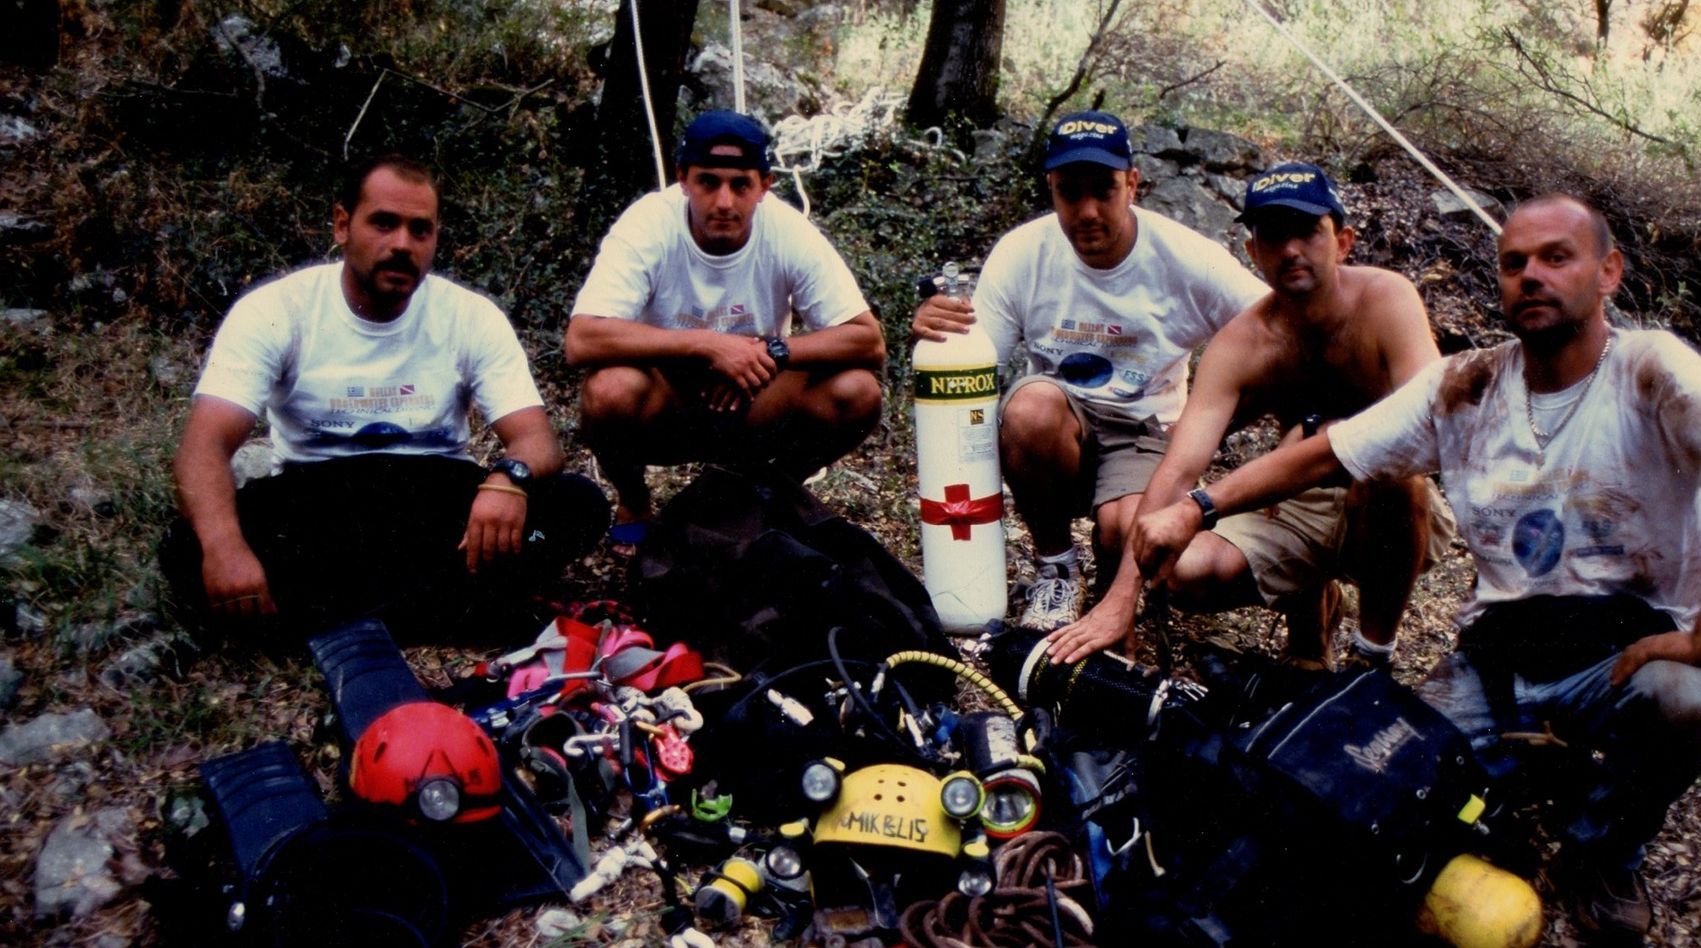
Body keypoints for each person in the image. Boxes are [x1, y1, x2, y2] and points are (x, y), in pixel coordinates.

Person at [1132, 193, 1701, 948]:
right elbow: (1326, 454)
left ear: (1608, 271)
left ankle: (1607, 854)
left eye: (1556, 257)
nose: (1532, 276)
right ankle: (1533, 767)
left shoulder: (1648, 368)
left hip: (1625, 654)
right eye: (1514, 263)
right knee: (1382, 777)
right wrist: (1199, 505)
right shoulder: (1467, 384)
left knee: (1685, 700)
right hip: (1499, 660)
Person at [163, 153, 607, 639]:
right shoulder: (276, 310)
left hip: (438, 506)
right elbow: (202, 449)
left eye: (420, 230)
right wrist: (225, 549)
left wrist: (508, 480)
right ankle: (448, 607)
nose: (401, 244)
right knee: (189, 548)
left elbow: (537, 441)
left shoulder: (470, 316)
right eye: (383, 223)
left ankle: (340, 612)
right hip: (319, 509)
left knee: (576, 507)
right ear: (342, 225)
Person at [1050, 162, 1454, 668]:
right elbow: (1178, 469)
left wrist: (1319, 433)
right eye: (1274, 236)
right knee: (1181, 568)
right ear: (1252, 252)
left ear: (1343, 241)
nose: (1291, 250)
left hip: (1389, 502)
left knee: (1390, 474)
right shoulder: (1242, 343)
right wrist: (1120, 599)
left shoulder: (1387, 299)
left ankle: (1372, 656)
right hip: (1294, 501)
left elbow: (1427, 422)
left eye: (1307, 232)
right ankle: (1311, 621)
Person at [910, 110, 1267, 632]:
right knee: (1029, 408)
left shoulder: (1186, 257)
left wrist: (1212, 425)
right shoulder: (1023, 252)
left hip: (1143, 428)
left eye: (1104, 190)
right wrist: (939, 333)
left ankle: (1111, 578)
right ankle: (1056, 566)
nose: (1088, 212)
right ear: (1051, 190)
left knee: (1127, 535)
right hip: (1058, 425)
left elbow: (1278, 332)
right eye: (1070, 193)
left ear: (1132, 185)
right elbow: (977, 368)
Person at [566, 110, 885, 516]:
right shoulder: (649, 223)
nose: (723, 202)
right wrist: (707, 345)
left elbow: (867, 340)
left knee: (858, 391)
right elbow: (582, 339)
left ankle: (771, 492)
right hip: (668, 398)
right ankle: (634, 500)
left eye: (740, 185)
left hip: (756, 395)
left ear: (764, 185)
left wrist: (770, 352)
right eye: (708, 182)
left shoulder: (787, 230)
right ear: (683, 179)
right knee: (609, 391)